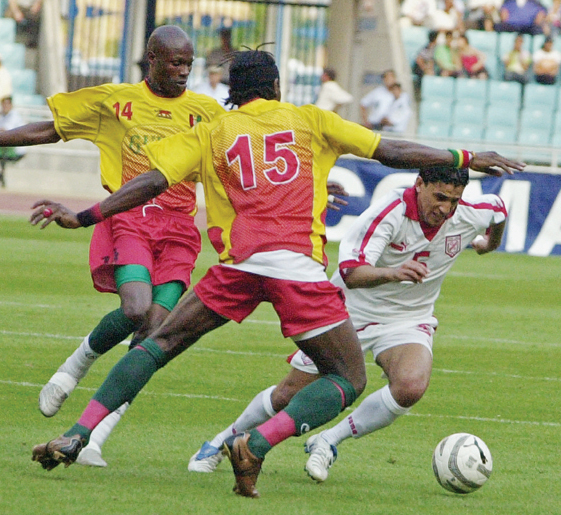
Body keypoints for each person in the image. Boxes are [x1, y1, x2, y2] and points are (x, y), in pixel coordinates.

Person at [27, 50, 523, 498]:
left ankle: (80, 431)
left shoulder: (211, 131)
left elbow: (151, 181)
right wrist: (464, 158)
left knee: (156, 343)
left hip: (238, 265)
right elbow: (389, 150)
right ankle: (256, 443)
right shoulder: (310, 120)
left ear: (232, 93)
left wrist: (86, 215)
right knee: (348, 379)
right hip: (296, 270)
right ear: (278, 88)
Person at [0, 25, 226, 467]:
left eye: (189, 64)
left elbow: (245, 161)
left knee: (154, 334)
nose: (184, 72)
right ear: (151, 58)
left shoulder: (207, 112)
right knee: (135, 310)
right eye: (175, 63)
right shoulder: (115, 101)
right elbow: (47, 131)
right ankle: (78, 362)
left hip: (180, 230)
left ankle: (95, 438)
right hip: (129, 218)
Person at [186, 165, 512, 483]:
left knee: (411, 385)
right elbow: (351, 273)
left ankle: (328, 440)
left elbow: (499, 212)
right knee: (288, 394)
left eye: (454, 201)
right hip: (347, 313)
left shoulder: (473, 211)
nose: (445, 209)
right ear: (419, 183)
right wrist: (393, 273)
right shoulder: (389, 213)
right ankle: (221, 441)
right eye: (439, 197)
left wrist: (488, 245)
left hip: (408, 319)